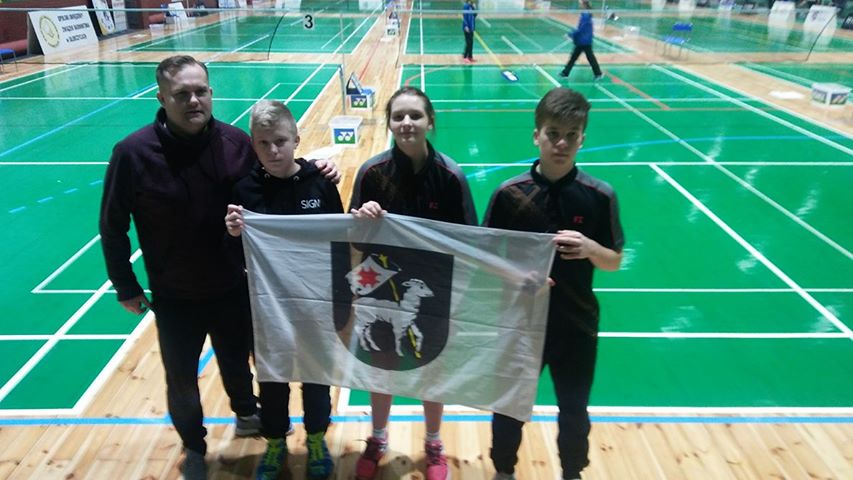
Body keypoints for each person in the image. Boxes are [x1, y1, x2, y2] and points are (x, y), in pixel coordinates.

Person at [99, 55, 339, 480]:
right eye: (182, 94)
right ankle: (194, 446)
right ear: (162, 98)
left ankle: (247, 415)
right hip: (174, 293)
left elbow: (276, 175)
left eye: (200, 91)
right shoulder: (132, 153)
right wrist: (125, 285)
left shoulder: (237, 143)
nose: (194, 100)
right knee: (181, 379)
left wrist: (317, 167)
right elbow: (112, 224)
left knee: (243, 364)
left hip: (236, 287)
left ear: (211, 93)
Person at [483, 87, 624, 480]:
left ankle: (572, 472)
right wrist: (516, 275)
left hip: (576, 326)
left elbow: (613, 261)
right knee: (509, 406)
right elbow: (485, 258)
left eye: (571, 135)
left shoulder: (599, 196)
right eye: (553, 133)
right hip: (520, 324)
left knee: (574, 410)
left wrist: (591, 247)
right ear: (537, 136)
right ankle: (504, 471)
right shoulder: (509, 194)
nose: (562, 143)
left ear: (582, 139)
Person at [349, 86, 478, 480]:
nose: (406, 123)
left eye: (415, 115)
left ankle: (433, 443)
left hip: (432, 287)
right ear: (389, 123)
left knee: (431, 366)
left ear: (430, 121)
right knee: (382, 364)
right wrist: (363, 218)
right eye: (398, 116)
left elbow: (471, 243)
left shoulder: (450, 177)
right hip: (380, 284)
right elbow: (353, 239)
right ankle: (377, 438)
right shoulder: (371, 173)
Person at [224, 100, 343, 480]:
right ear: (253, 145)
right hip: (267, 307)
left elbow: (340, 240)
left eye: (280, 141)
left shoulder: (321, 183)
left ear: (296, 139)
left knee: (316, 377)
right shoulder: (244, 190)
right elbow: (233, 254)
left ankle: (316, 440)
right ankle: (275, 442)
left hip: (315, 303)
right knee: (272, 379)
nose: (273, 151)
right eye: (263, 143)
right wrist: (232, 234)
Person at [560, 11, 603, 81]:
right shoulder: (586, 17)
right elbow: (579, 28)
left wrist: (570, 34)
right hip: (582, 42)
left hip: (584, 42)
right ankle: (565, 73)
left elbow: (580, 30)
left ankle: (598, 74)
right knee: (575, 58)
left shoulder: (585, 17)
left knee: (589, 58)